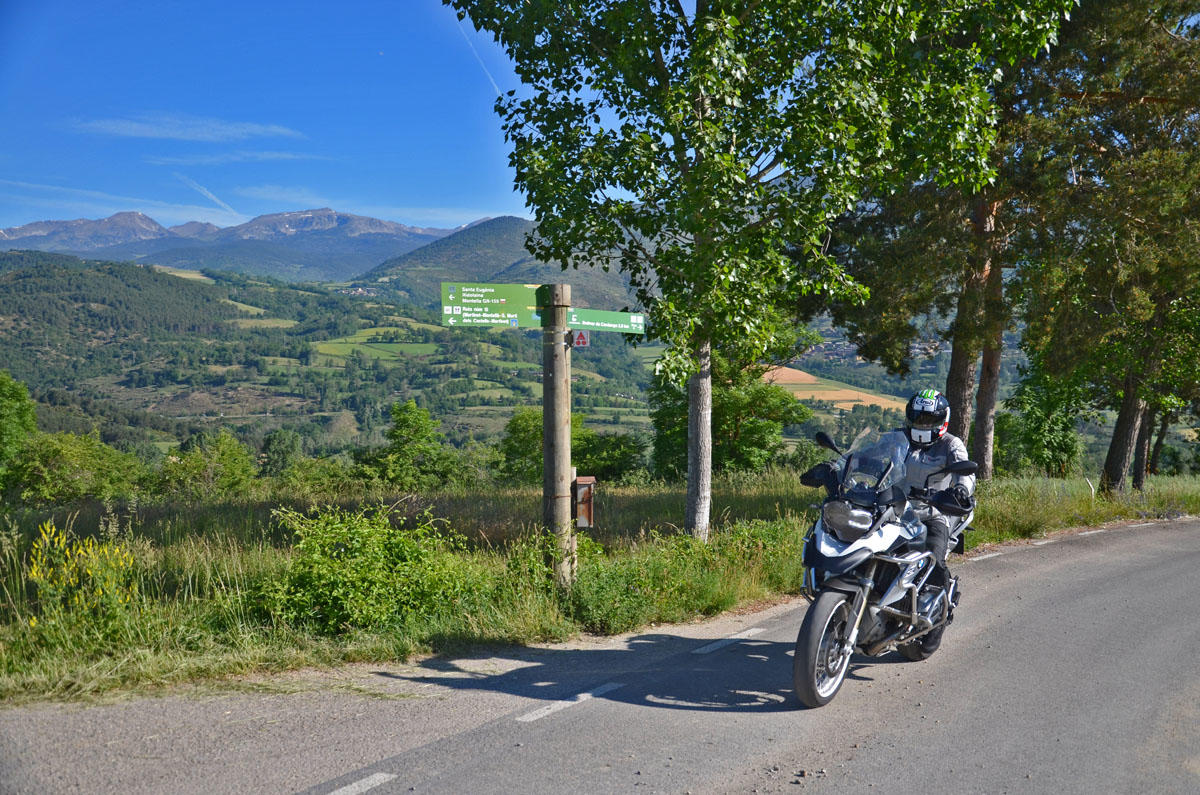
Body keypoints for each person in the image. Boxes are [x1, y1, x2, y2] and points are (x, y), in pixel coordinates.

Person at [901, 389, 974, 607]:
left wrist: (961, 490)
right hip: (893, 511)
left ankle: (936, 611)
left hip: (934, 512)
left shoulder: (951, 444)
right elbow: (873, 454)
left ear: (942, 420)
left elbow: (966, 473)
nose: (923, 424)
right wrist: (841, 467)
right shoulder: (898, 438)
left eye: (929, 419)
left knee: (933, 559)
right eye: (918, 418)